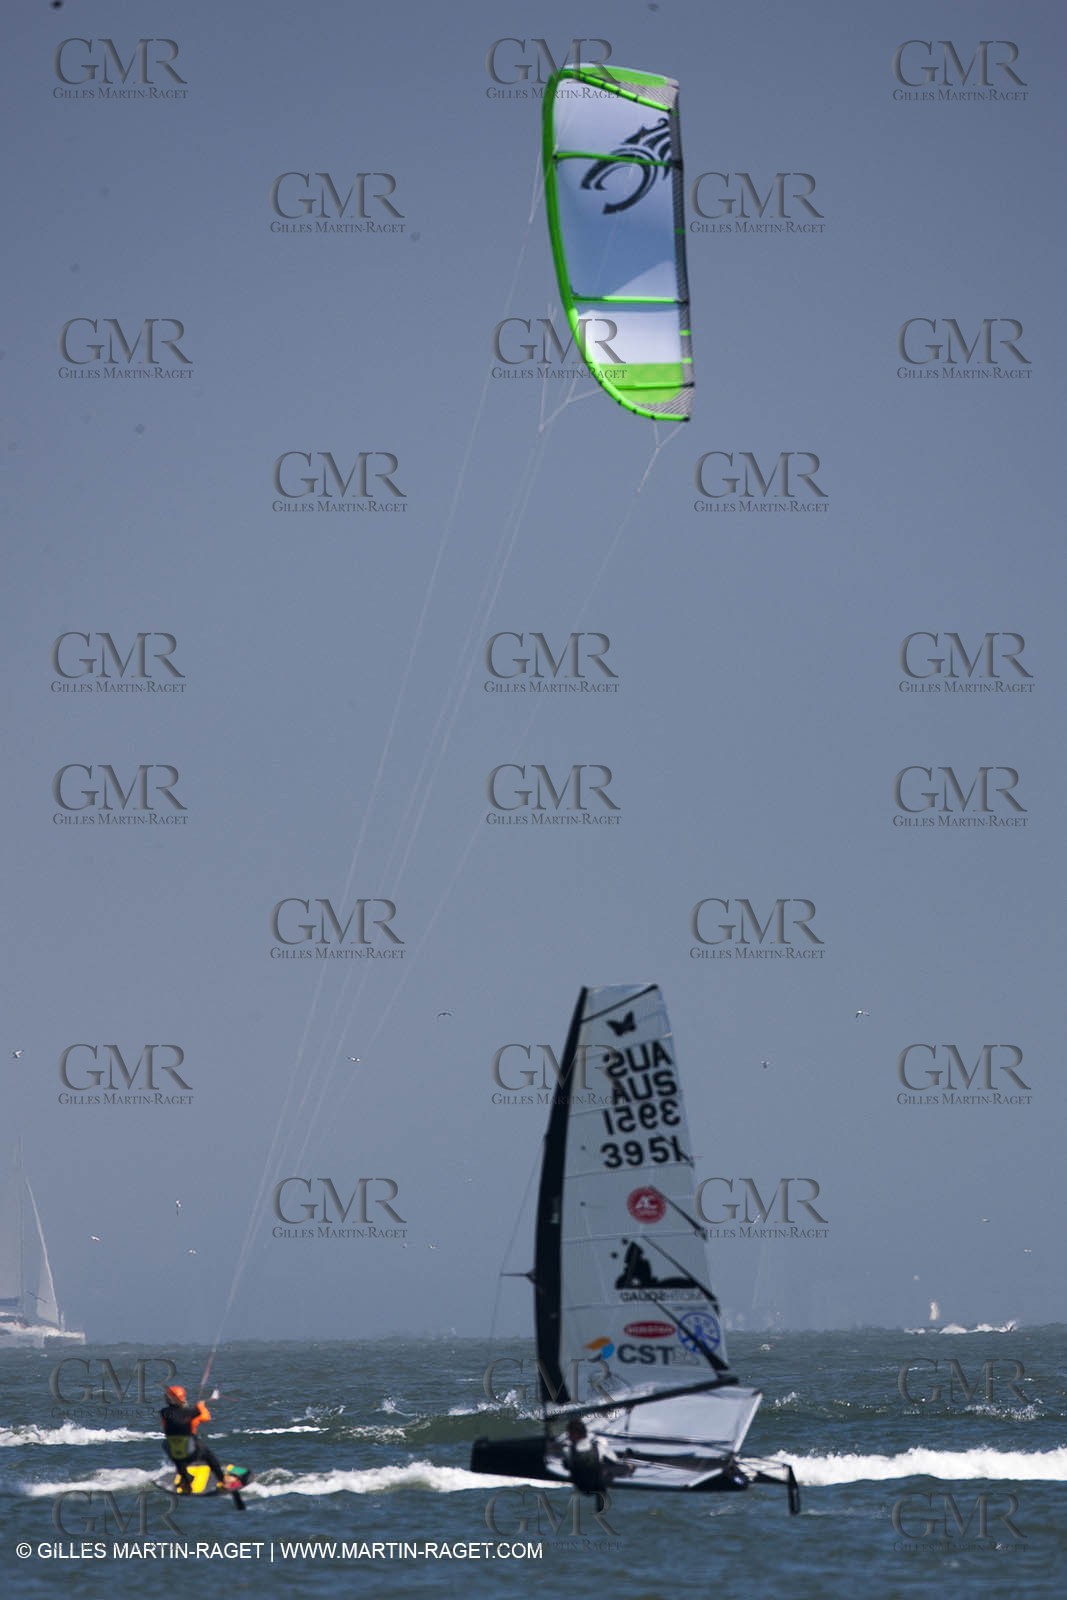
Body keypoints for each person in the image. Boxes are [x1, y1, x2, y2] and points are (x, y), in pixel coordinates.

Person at [160, 1384, 232, 1493]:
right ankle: (223, 1481)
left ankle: (186, 1479)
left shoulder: (164, 1413)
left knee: (170, 1447)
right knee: (210, 1457)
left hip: (176, 1452)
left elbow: (174, 1420)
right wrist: (201, 1406)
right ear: (182, 1398)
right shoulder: (191, 1413)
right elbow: (206, 1418)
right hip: (192, 1452)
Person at [561, 1419, 632, 1496]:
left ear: (574, 1435)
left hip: (581, 1487)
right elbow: (614, 1460)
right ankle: (629, 1467)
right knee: (610, 1468)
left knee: (601, 1467)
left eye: (568, 1434)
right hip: (599, 1486)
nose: (568, 1436)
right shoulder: (598, 1447)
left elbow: (566, 1465)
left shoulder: (568, 1450)